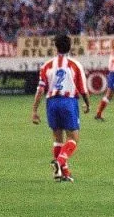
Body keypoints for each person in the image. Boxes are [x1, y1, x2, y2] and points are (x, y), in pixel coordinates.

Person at [31, 34, 91, 182]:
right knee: (73, 138)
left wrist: (34, 110)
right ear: (70, 47)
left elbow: (40, 90)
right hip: (68, 102)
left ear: (56, 47)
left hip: (51, 103)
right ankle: (59, 162)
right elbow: (83, 89)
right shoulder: (75, 65)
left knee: (58, 139)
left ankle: (63, 173)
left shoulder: (46, 66)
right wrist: (88, 104)